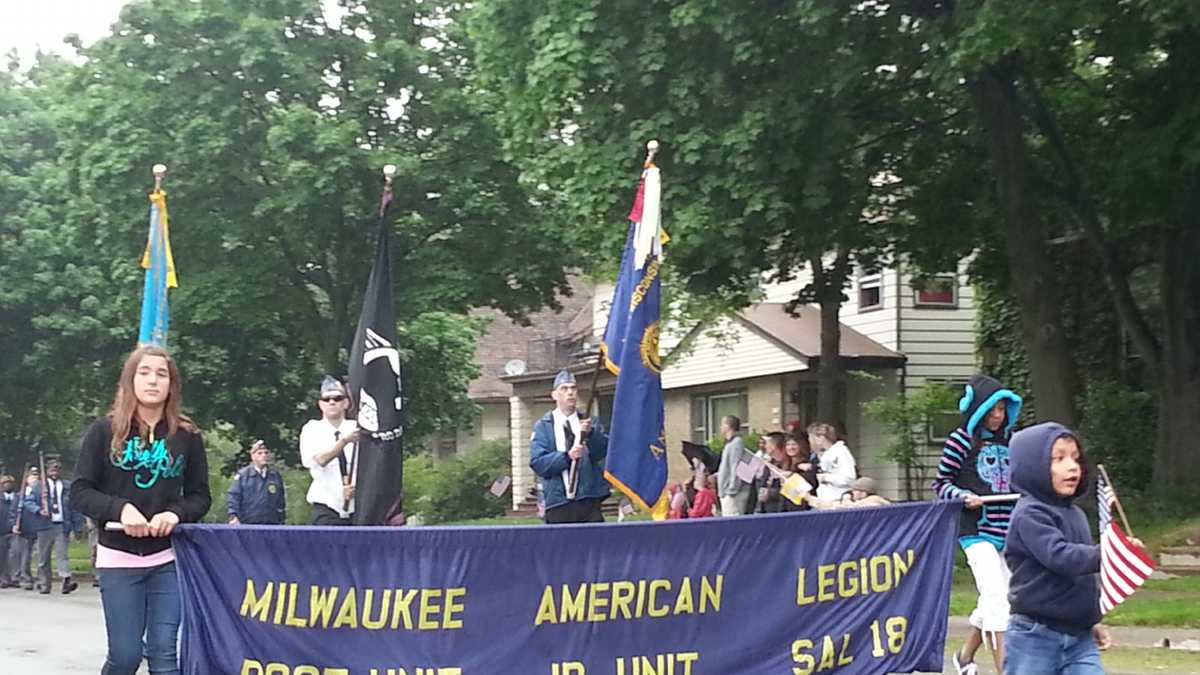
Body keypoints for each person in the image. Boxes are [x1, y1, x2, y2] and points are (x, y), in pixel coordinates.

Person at [70, 344, 212, 675]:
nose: (152, 381)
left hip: (168, 559)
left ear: (171, 384)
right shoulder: (103, 431)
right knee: (126, 656)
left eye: (161, 374)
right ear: (129, 380)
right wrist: (120, 510)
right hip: (118, 558)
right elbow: (80, 491)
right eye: (144, 373)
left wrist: (174, 514)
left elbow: (199, 496)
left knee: (165, 655)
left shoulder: (187, 436)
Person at [1004, 422, 1139, 674]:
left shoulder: (1075, 513)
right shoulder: (1029, 514)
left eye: (1076, 458)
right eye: (1059, 459)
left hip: (1079, 637)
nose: (1072, 466)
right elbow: (1061, 557)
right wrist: (1109, 553)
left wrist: (1091, 620)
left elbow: (1084, 577)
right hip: (1034, 635)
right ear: (1032, 466)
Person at [932, 374, 1022, 675]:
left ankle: (965, 655)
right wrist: (963, 495)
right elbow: (941, 484)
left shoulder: (1011, 440)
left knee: (1005, 597)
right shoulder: (959, 441)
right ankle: (1005, 670)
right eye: (992, 409)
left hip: (1008, 531)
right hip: (975, 532)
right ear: (978, 410)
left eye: (1002, 409)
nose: (997, 416)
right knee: (996, 597)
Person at [529, 370, 611, 523]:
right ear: (554, 395)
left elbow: (602, 452)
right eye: (564, 389)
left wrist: (591, 434)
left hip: (588, 500)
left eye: (573, 388)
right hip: (558, 502)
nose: (570, 393)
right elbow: (538, 463)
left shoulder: (589, 423)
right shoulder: (544, 426)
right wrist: (567, 457)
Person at [299, 376, 359, 525]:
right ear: (320, 405)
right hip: (326, 506)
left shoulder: (357, 428)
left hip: (357, 506)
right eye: (327, 399)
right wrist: (344, 441)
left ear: (346, 403)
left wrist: (358, 488)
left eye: (337, 398)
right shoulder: (312, 429)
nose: (332, 402)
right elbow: (321, 460)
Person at [24, 458, 85, 594]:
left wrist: (78, 527)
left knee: (62, 555)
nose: (55, 472)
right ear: (47, 470)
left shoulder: (67, 486)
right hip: (44, 525)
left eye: (57, 469)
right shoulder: (39, 486)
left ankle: (66, 580)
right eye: (52, 469)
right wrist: (39, 510)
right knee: (43, 557)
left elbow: (74, 507)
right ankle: (44, 583)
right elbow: (28, 502)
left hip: (62, 525)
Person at [227, 440, 287, 525]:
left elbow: (281, 501)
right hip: (248, 523)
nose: (264, 455)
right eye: (260, 453)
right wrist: (233, 516)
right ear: (252, 456)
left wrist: (281, 519)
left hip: (271, 523)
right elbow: (234, 496)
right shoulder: (243, 475)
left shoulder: (274, 476)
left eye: (266, 453)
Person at [807, 423, 856, 502]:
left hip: (838, 500)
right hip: (826, 500)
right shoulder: (824, 455)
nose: (811, 443)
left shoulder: (841, 452)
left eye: (812, 439)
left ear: (821, 437)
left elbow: (849, 478)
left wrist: (826, 477)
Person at [716, 415, 752, 516]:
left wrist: (731, 490)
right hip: (726, 492)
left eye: (722, 424)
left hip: (732, 494)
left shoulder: (736, 443)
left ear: (728, 426)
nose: (720, 427)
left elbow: (735, 467)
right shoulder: (729, 444)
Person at [805, 476, 891, 509]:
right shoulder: (855, 503)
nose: (852, 492)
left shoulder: (874, 505)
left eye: (855, 490)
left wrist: (846, 500)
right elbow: (831, 504)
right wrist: (809, 498)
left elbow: (845, 508)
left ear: (864, 493)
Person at [0, 473, 17, 587]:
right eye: (5, 483)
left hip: (15, 531)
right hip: (1, 531)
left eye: (10, 483)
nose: (8, 485)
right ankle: (3, 579)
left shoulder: (18, 497)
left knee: (14, 556)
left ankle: (14, 578)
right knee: (2, 557)